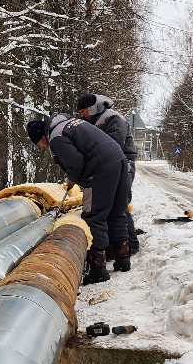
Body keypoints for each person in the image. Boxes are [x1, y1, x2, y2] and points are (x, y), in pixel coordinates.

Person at [26, 114, 130, 283]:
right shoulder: (70, 124)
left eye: (39, 143)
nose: (42, 147)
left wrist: (72, 178)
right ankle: (123, 258)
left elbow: (75, 162)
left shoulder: (56, 137)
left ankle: (98, 268)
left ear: (41, 136)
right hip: (119, 159)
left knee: (94, 216)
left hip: (100, 168)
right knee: (117, 211)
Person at [76, 93, 139, 255]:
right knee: (112, 205)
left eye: (83, 111)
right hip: (111, 165)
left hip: (123, 164)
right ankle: (115, 245)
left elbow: (113, 144)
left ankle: (130, 244)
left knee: (120, 204)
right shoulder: (96, 121)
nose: (82, 115)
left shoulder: (113, 118)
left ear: (92, 107)